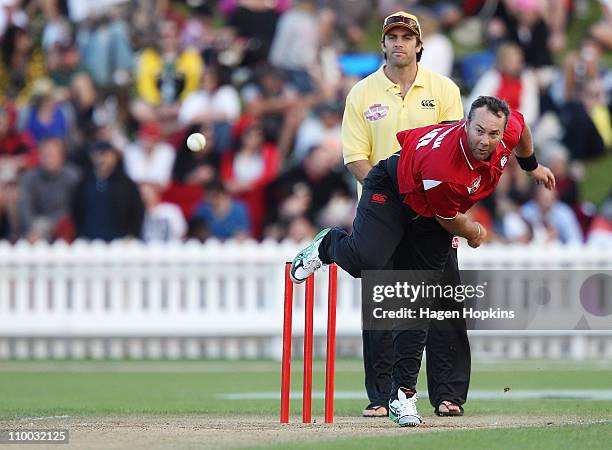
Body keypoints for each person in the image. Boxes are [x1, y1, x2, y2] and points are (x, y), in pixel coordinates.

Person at [290, 96, 555, 426]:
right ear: (466, 123)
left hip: (431, 213)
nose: (485, 141)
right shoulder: (446, 166)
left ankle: (403, 397)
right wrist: (473, 231)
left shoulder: (506, 130)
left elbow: (522, 127)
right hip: (394, 190)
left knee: (418, 303)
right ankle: (329, 244)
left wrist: (532, 167)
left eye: (493, 134)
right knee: (366, 262)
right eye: (479, 131)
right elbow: (449, 219)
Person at [341, 10, 465, 418]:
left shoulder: (443, 90)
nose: (399, 43)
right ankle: (381, 397)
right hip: (384, 212)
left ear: (418, 45)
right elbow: (357, 158)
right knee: (384, 306)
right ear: (383, 44)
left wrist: (433, 205)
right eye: (392, 37)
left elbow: (453, 155)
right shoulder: (362, 92)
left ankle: (448, 394)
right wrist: (394, 199)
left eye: (406, 37)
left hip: (432, 212)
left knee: (442, 303)